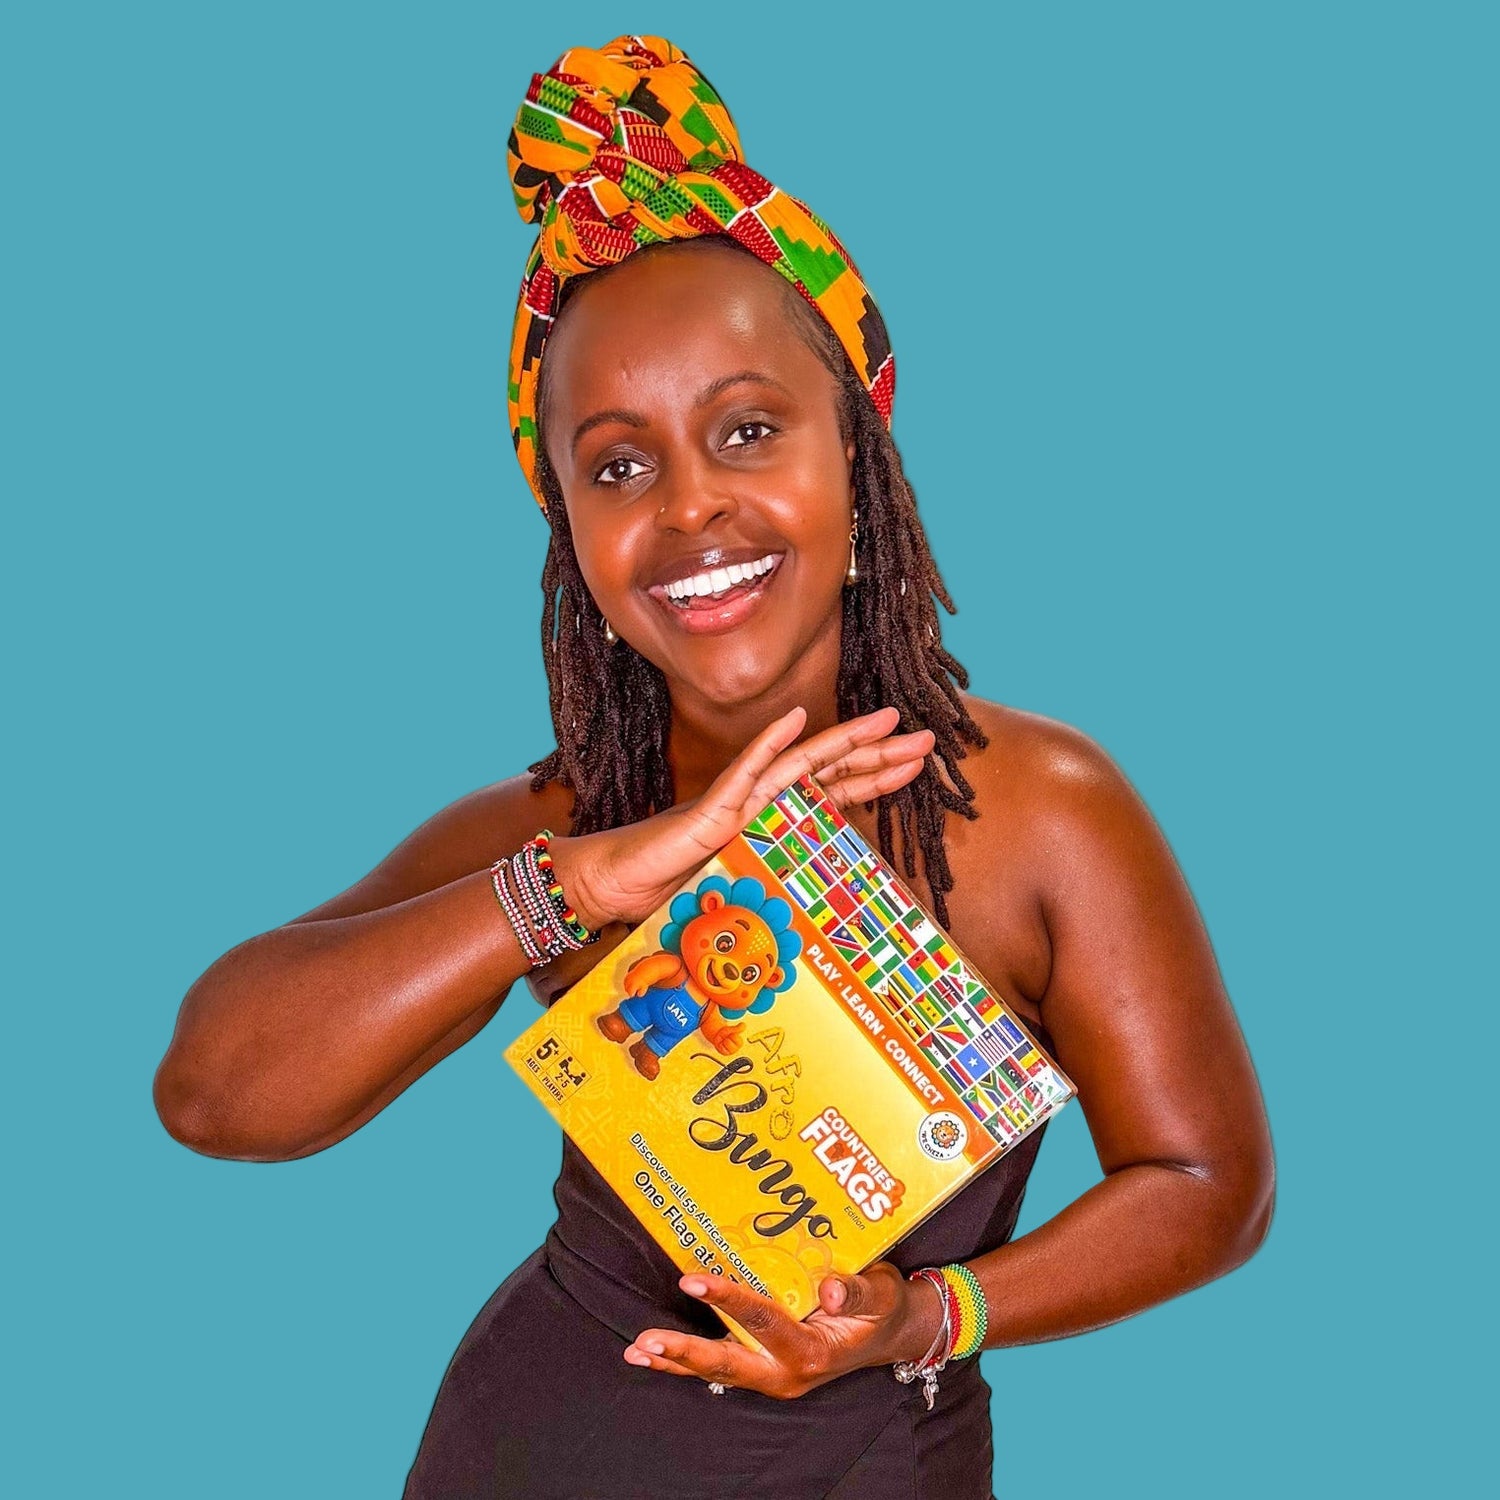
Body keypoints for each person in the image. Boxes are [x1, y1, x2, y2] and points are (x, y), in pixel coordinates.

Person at [154, 35, 1274, 1500]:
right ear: (570, 537)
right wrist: (570, 889)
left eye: (748, 431)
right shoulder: (554, 827)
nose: (691, 508)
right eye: (617, 468)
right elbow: (212, 1092)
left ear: (857, 461)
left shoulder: (1040, 816)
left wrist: (928, 1318)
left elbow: (1206, 1186)